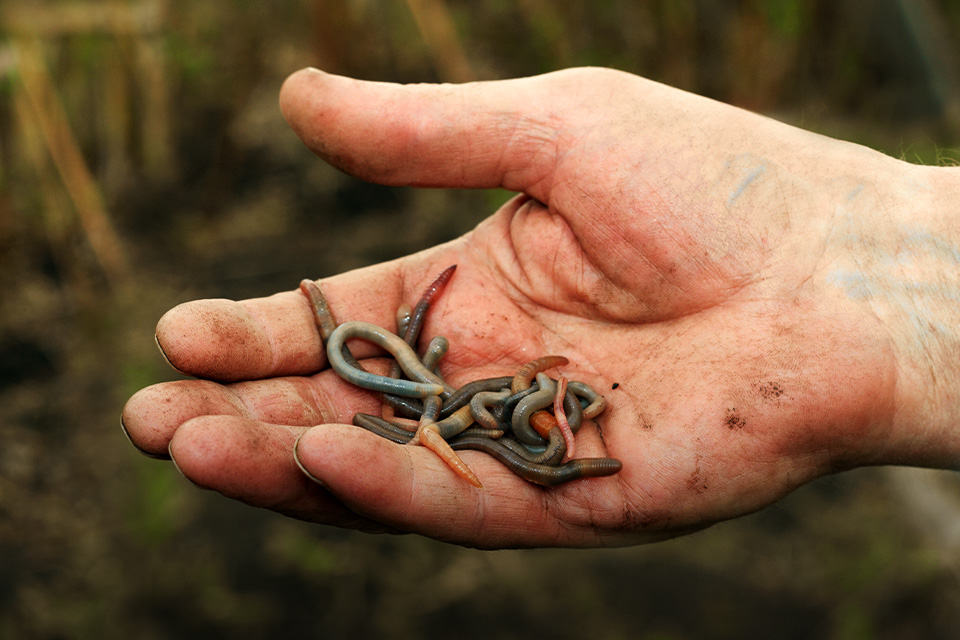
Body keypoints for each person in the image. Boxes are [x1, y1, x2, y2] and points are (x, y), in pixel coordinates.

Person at [121, 67, 960, 548]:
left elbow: (467, 412)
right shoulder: (492, 401)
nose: (561, 409)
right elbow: (446, 406)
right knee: (415, 387)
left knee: (422, 394)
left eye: (561, 411)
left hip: (447, 404)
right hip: (438, 398)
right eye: (561, 410)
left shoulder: (526, 408)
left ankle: (426, 394)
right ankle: (421, 388)